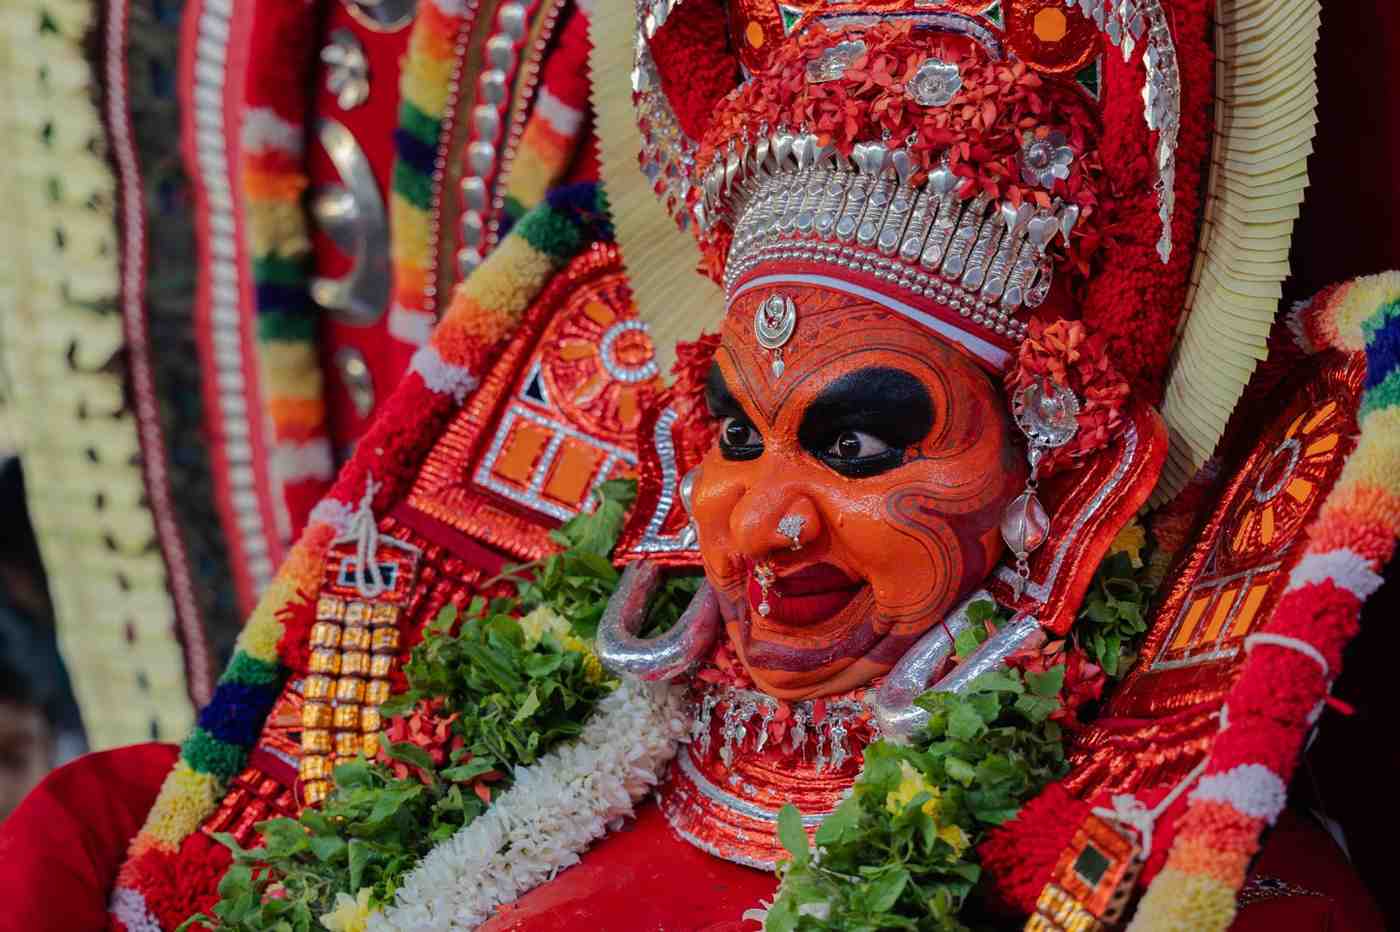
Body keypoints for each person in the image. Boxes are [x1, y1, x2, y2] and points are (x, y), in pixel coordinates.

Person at [2, 1, 1393, 930]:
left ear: (1068, 476)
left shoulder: (1160, 876)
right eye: (737, 433)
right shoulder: (512, 725)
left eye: (861, 441)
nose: (766, 522)